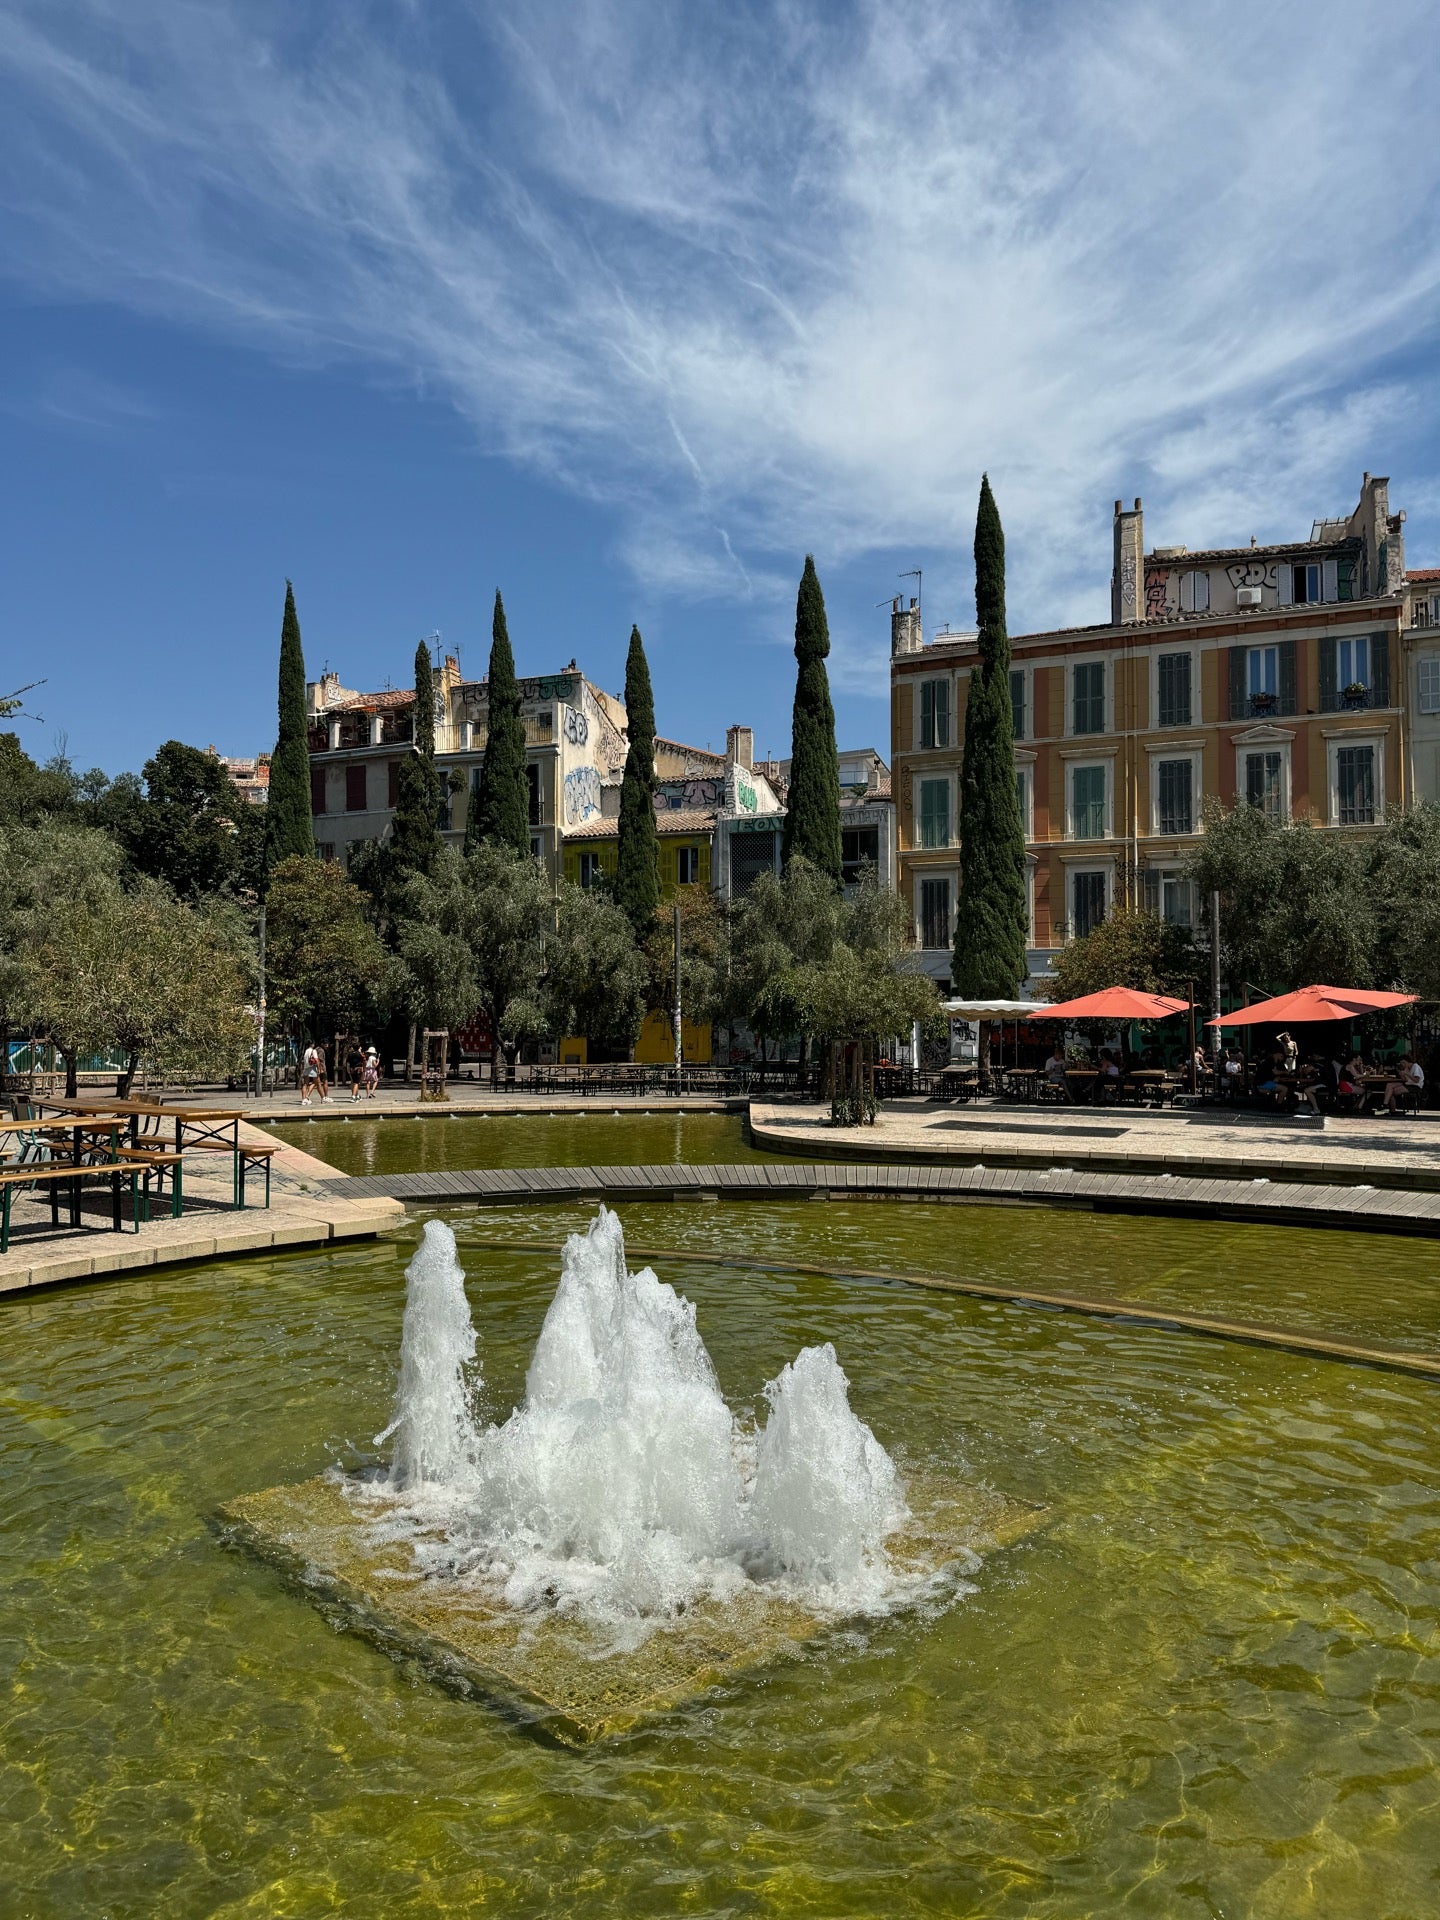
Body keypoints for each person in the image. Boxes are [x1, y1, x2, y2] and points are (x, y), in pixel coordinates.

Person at [300, 1041, 323, 1108]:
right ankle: (322, 1097)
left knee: (305, 1084)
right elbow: (316, 1060)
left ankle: (304, 1099)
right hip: (312, 1068)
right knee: (317, 1082)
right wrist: (319, 1069)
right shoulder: (313, 1051)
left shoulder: (306, 1051)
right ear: (312, 1044)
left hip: (306, 1068)